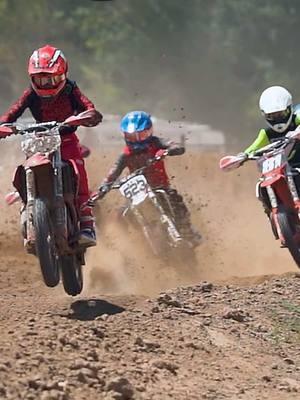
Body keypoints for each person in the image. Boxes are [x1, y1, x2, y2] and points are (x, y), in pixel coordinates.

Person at [0, 44, 102, 247]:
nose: (45, 84)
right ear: (32, 78)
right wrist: (3, 125)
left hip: (67, 140)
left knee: (78, 171)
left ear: (62, 74)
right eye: (40, 79)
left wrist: (86, 116)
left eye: (50, 79)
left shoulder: (71, 89)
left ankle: (86, 224)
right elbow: (12, 113)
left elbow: (88, 107)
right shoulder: (30, 94)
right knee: (25, 170)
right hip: (39, 141)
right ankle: (30, 218)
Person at [91, 110, 201, 247]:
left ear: (149, 131)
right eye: (131, 136)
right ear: (125, 136)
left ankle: (187, 230)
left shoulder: (156, 143)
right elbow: (112, 174)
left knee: (176, 199)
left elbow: (177, 146)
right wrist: (102, 189)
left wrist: (167, 151)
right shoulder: (126, 155)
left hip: (160, 188)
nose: (137, 140)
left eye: (141, 135)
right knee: (121, 216)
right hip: (137, 195)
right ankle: (130, 248)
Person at [236, 85, 300, 214]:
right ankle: (272, 211)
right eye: (272, 116)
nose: (277, 119)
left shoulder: (297, 120)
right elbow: (253, 148)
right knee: (261, 185)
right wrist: (241, 157)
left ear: (289, 109)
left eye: (281, 114)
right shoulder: (266, 134)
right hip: (283, 169)